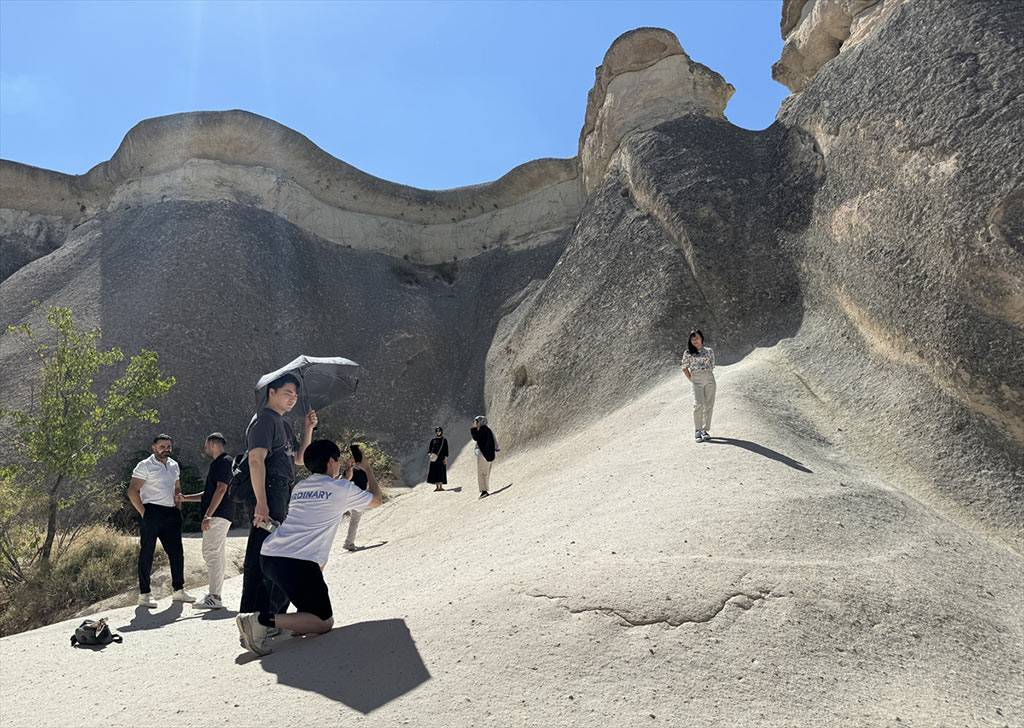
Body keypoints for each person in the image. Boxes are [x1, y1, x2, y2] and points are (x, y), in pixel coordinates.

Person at [236, 439, 383, 655]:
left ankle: (298, 620)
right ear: (332, 461)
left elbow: (328, 495)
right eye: (338, 460)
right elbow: (376, 500)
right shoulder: (341, 488)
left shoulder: (300, 487)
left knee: (312, 584)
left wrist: (345, 479)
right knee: (324, 622)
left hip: (270, 555)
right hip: (296, 562)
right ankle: (259, 621)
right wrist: (367, 469)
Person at [239, 374, 317, 621]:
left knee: (277, 554)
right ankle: (255, 617)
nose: (292, 398)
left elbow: (300, 458)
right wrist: (262, 503)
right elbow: (255, 460)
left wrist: (308, 429)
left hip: (281, 492)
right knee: (262, 556)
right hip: (269, 492)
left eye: (295, 395)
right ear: (271, 392)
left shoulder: (281, 423)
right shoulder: (264, 420)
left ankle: (271, 615)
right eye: (287, 393)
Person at [127, 434, 195, 607]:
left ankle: (178, 591)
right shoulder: (145, 465)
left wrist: (177, 509)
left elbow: (177, 487)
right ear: (154, 447)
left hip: (171, 513)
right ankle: (144, 594)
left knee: (177, 553)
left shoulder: (174, 465)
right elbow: (132, 491)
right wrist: (144, 513)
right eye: (162, 446)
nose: (166, 449)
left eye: (168, 446)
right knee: (147, 553)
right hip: (152, 511)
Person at [177, 432, 233, 610]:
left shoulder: (223, 462)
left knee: (211, 553)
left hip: (218, 515)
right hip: (221, 514)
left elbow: (222, 489)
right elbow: (208, 494)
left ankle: (215, 597)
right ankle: (214, 594)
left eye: (206, 444)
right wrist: (185, 498)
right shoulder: (220, 463)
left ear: (212, 443)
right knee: (216, 554)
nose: (205, 448)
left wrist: (208, 515)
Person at [681, 328, 716, 443]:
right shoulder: (688, 353)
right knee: (698, 404)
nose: (695, 341)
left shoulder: (709, 351)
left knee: (709, 404)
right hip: (696, 378)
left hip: (709, 377)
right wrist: (691, 379)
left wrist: (706, 374)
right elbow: (684, 367)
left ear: (701, 338)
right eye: (692, 339)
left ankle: (705, 430)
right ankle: (697, 430)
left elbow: (712, 365)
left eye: (697, 338)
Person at [342, 443, 369, 551]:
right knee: (355, 520)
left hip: (347, 498)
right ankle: (349, 543)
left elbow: (345, 480)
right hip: (358, 498)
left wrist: (349, 465)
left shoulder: (350, 470)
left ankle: (348, 542)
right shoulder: (363, 470)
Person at [470, 416, 497, 498]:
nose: (475, 423)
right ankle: (485, 489)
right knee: (485, 473)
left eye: (476, 422)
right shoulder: (487, 430)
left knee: (481, 473)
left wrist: (473, 429)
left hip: (483, 455)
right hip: (488, 455)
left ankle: (484, 491)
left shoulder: (482, 429)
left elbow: (476, 437)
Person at [426, 426, 449, 492]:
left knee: (441, 472)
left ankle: (441, 487)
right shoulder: (433, 440)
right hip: (434, 459)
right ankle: (437, 487)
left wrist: (446, 458)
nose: (438, 432)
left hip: (441, 458)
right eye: (437, 431)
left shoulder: (444, 440)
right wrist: (430, 454)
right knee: (435, 472)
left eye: (439, 431)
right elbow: (429, 449)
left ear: (441, 431)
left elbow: (446, 450)